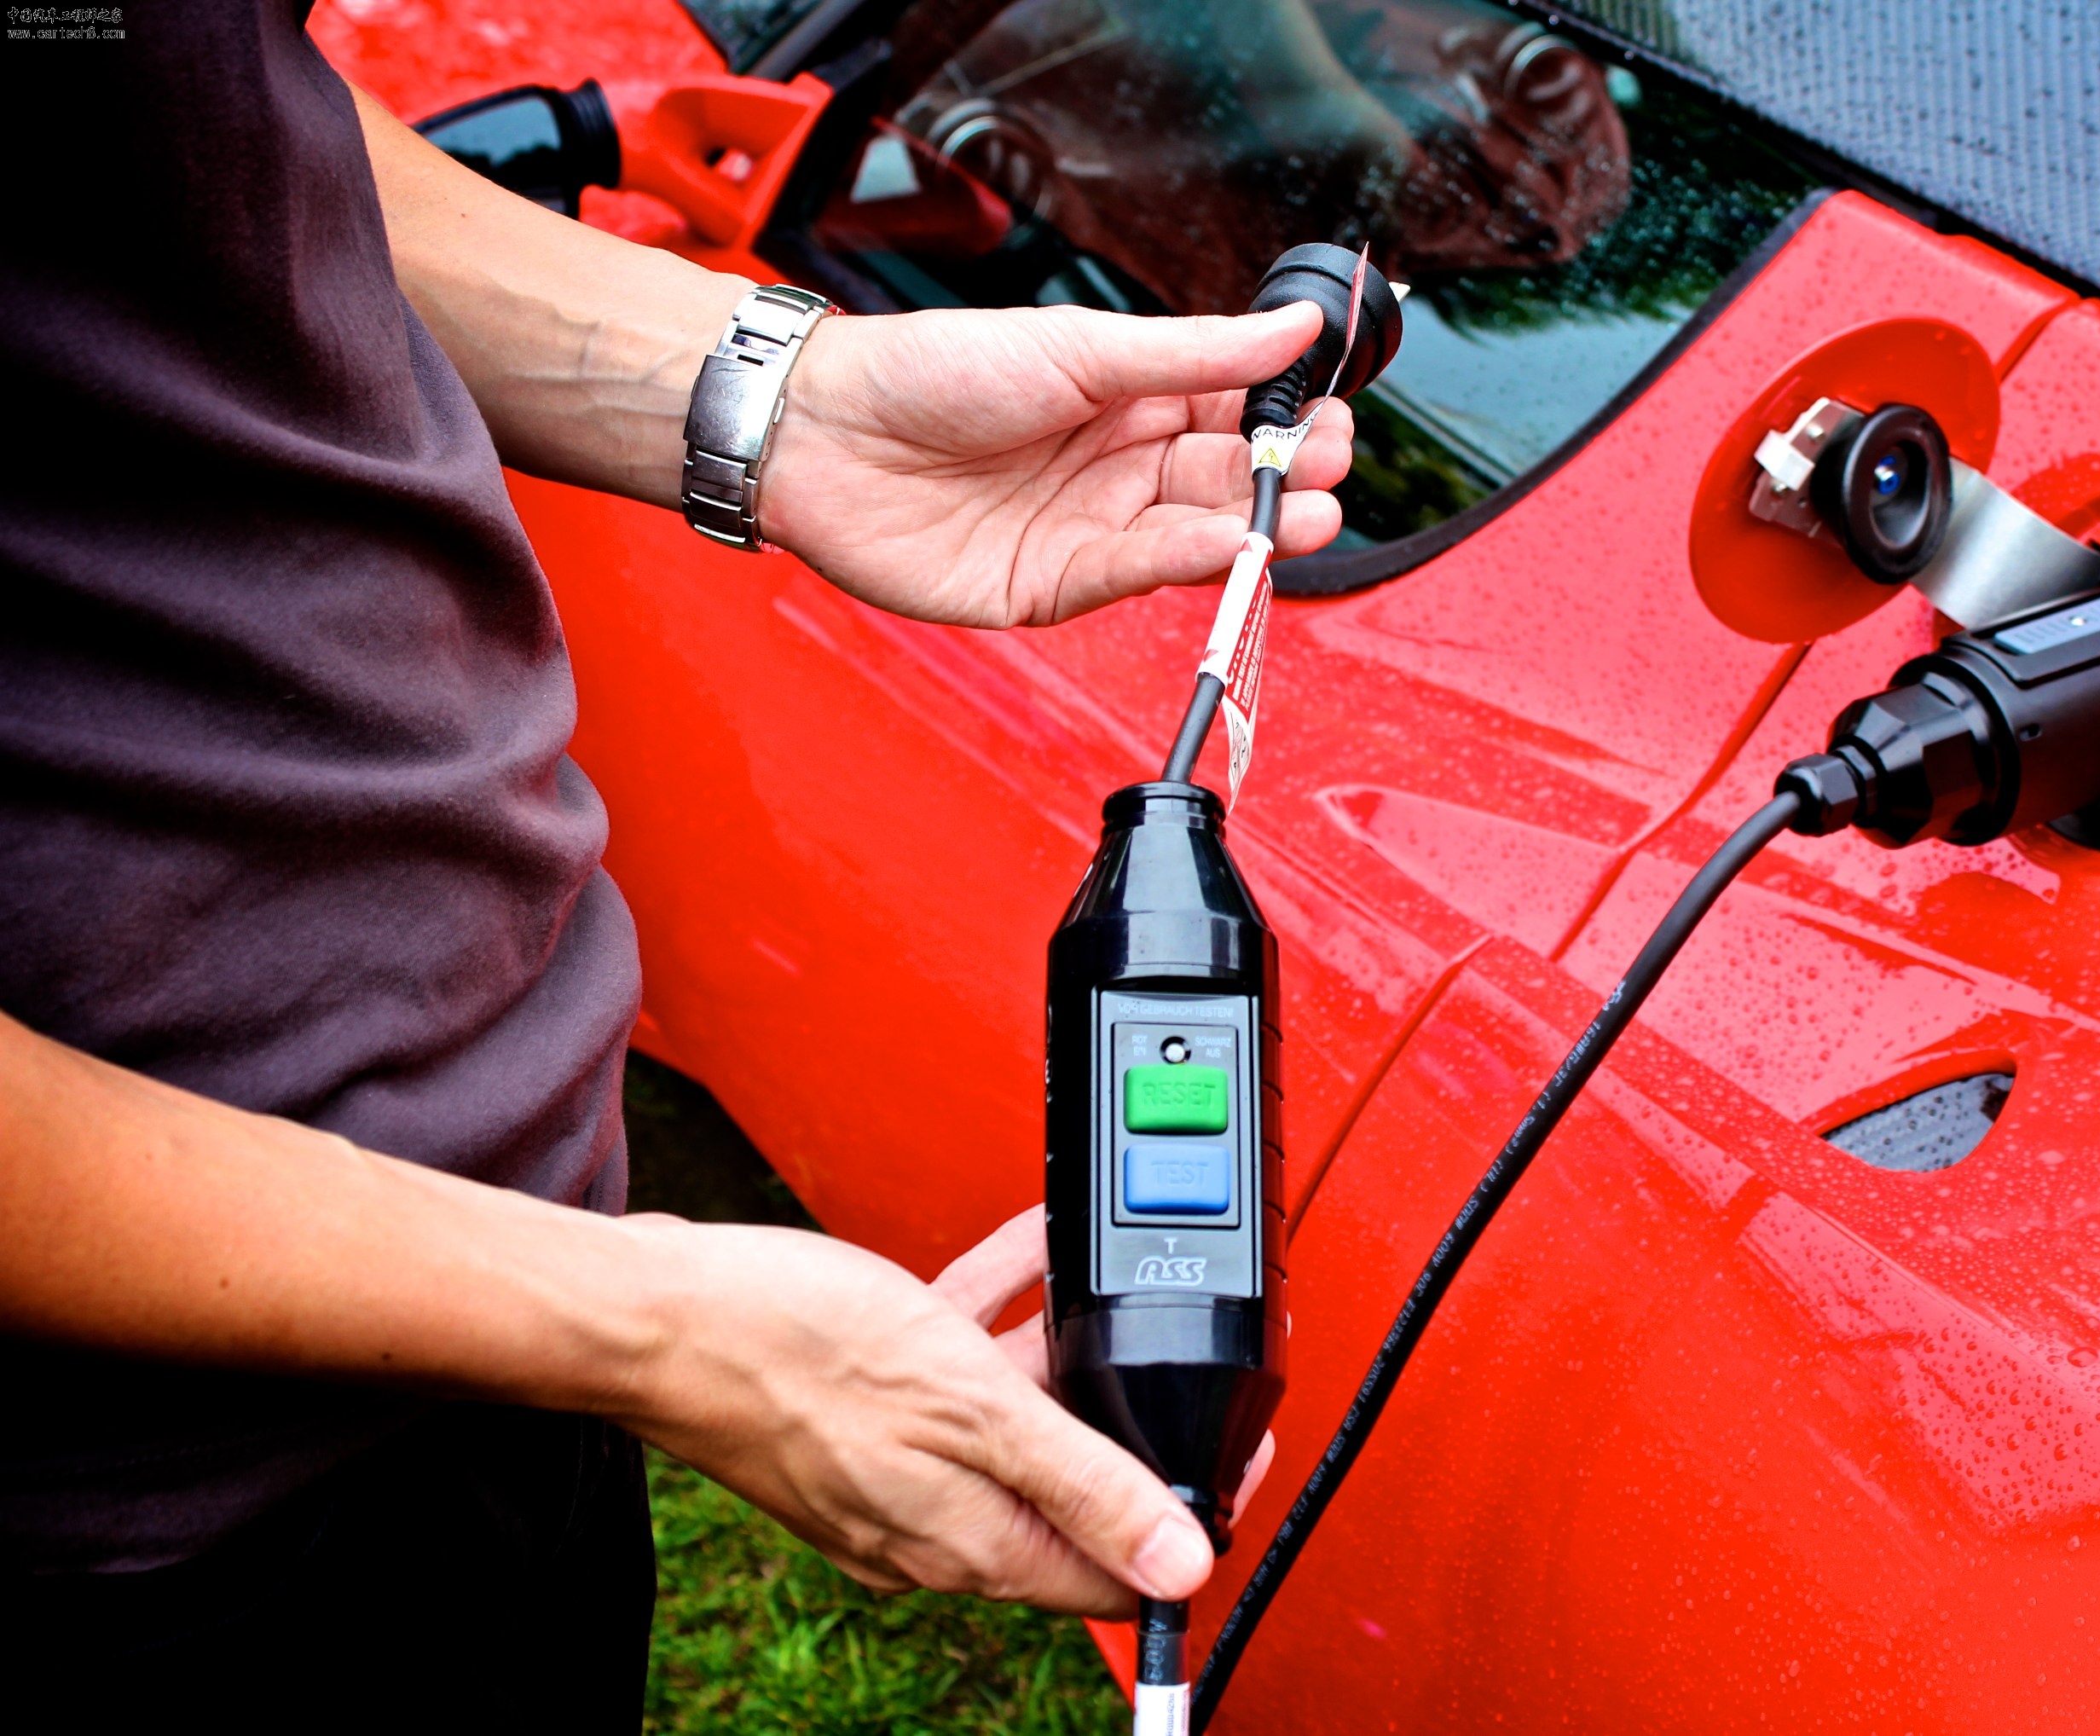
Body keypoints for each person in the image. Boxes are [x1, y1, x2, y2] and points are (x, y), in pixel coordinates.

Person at [0, 3, 1351, 1727]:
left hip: (493, 1354)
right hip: (137, 1558)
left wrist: (788, 403)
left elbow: (194, 143)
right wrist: (661, 1334)